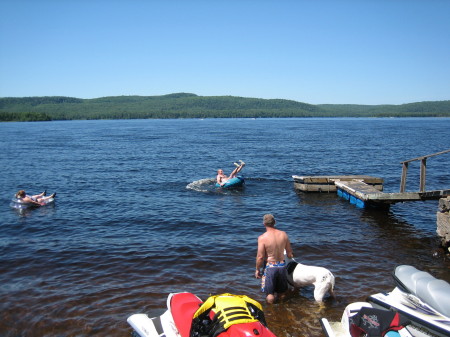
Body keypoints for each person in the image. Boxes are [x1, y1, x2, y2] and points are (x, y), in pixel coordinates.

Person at [255, 214, 294, 304]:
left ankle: (271, 312)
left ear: (264, 224)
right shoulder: (283, 234)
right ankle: (281, 309)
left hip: (270, 267)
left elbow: (260, 257)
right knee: (281, 292)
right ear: (275, 222)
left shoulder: (262, 238)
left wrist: (257, 269)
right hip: (281, 265)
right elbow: (289, 253)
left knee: (270, 294)